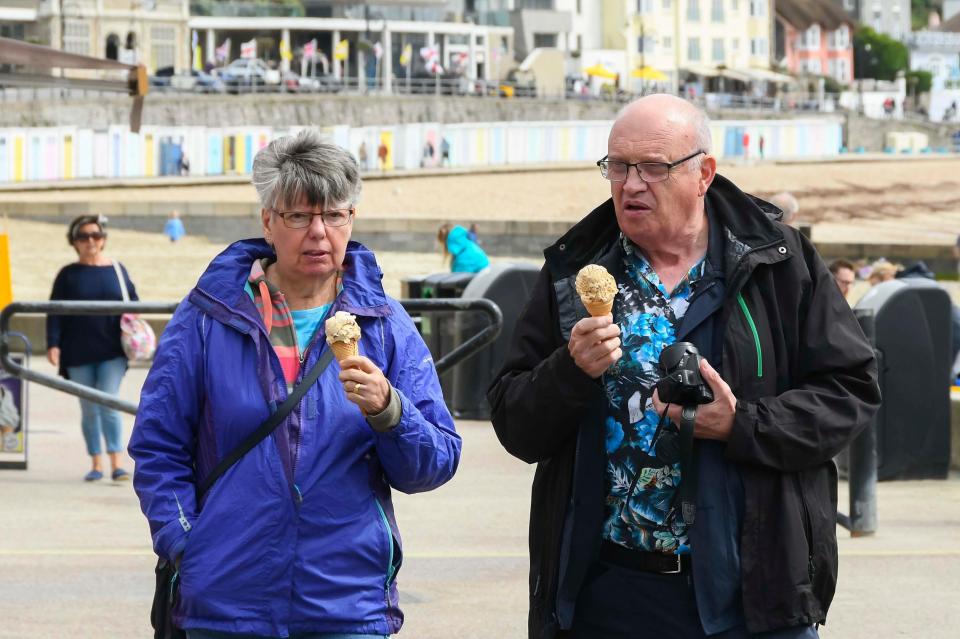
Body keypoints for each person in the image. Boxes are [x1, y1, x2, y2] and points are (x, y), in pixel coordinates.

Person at [488, 94, 880, 639]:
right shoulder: (576, 270)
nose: (630, 184)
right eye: (618, 166)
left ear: (704, 173)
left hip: (753, 593)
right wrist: (570, 370)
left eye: (653, 167)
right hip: (608, 591)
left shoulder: (779, 262)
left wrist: (741, 424)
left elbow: (851, 391)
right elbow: (514, 422)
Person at [129, 130, 460, 638]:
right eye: (299, 216)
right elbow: (158, 446)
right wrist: (187, 542)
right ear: (268, 220)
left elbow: (434, 463)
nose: (319, 233)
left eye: (335, 215)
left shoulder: (384, 324)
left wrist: (390, 412)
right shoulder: (205, 319)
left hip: (346, 605)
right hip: (225, 601)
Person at [47, 214, 139, 482]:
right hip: (77, 351)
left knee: (108, 402)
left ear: (103, 240)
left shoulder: (118, 270)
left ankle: (117, 463)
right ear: (74, 242)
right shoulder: (67, 274)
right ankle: (96, 462)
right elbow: (54, 312)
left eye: (95, 236)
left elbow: (134, 302)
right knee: (89, 408)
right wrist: (53, 344)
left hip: (112, 351)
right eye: (83, 237)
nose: (90, 241)